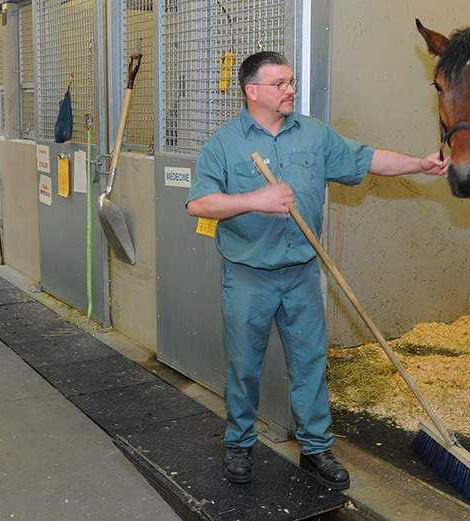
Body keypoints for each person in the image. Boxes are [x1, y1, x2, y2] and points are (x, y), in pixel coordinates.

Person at [186, 51, 448, 490]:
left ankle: (315, 449)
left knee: (310, 362)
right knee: (244, 365)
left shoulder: (312, 135)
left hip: (303, 272)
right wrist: (256, 201)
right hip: (248, 274)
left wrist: (419, 165)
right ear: (253, 91)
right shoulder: (224, 144)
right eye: (280, 84)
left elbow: (366, 159)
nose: (291, 90)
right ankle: (240, 444)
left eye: (292, 81)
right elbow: (199, 203)